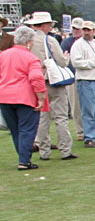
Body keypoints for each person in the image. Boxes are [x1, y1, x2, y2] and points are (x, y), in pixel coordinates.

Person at [26, 11, 76, 161]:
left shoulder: (28, 42)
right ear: (45, 25)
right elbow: (61, 61)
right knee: (61, 116)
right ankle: (65, 150)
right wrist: (66, 59)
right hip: (52, 81)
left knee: (42, 118)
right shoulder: (50, 40)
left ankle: (44, 151)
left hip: (35, 81)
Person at [0, 26, 47, 170]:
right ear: (29, 41)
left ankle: (22, 156)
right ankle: (24, 160)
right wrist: (41, 96)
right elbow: (36, 77)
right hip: (24, 97)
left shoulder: (3, 55)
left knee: (15, 130)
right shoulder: (31, 57)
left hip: (5, 97)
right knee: (27, 129)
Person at [61, 17, 85, 141]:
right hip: (73, 77)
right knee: (75, 106)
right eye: (74, 28)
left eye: (78, 28)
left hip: (87, 77)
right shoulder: (67, 42)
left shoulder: (90, 41)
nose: (76, 31)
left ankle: (92, 130)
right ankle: (80, 131)